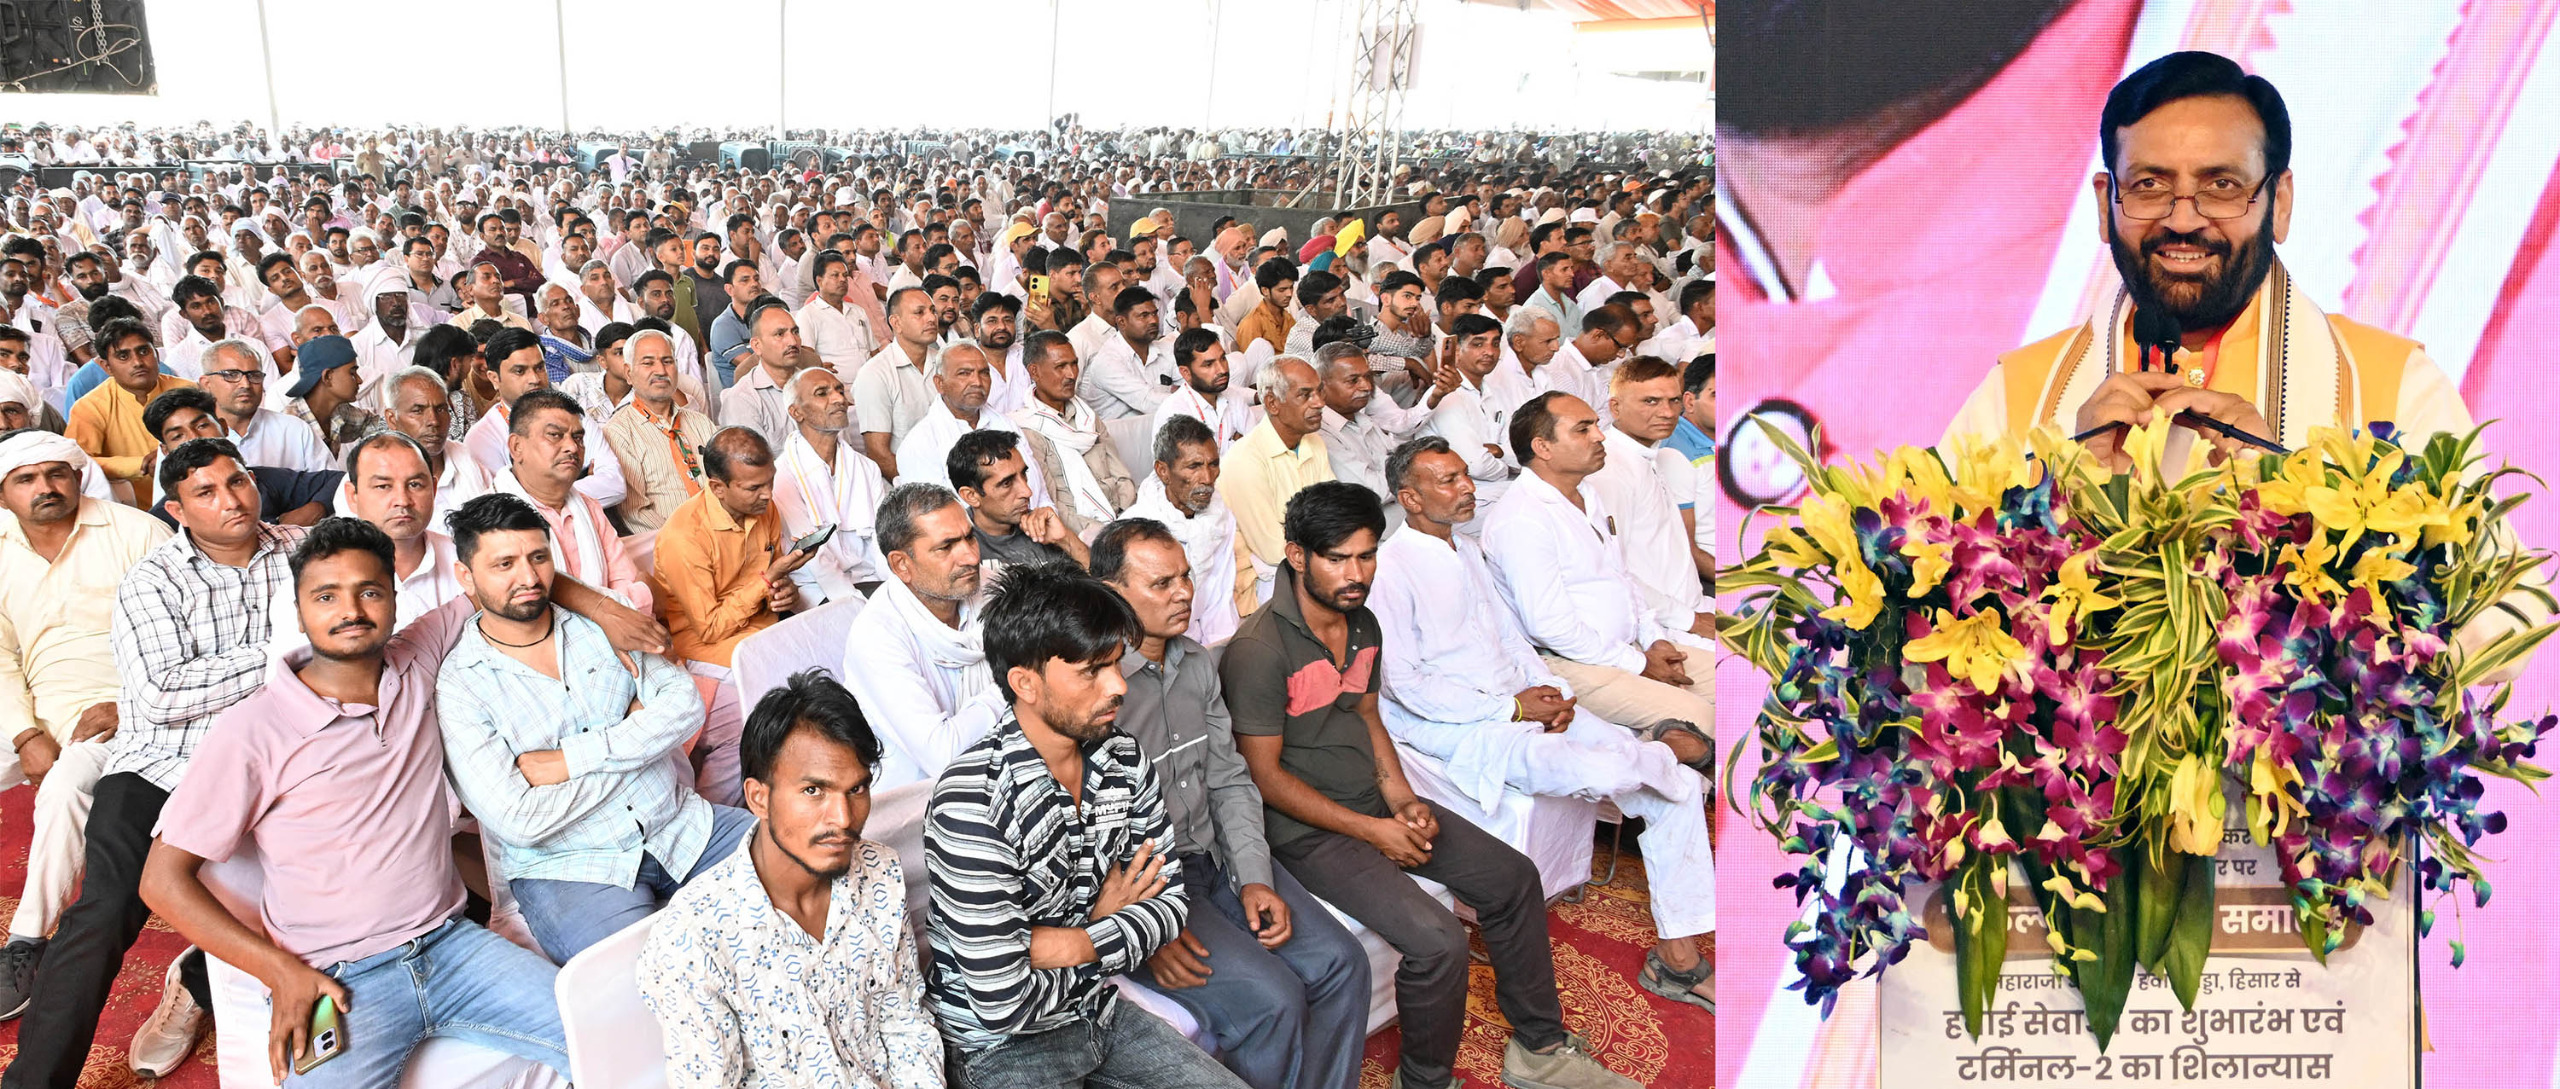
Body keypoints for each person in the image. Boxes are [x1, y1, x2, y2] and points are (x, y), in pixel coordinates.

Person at [1222, 481, 1635, 1089]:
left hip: (1372, 804)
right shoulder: (1259, 649)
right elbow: (1265, 778)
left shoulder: (1361, 621)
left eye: (1366, 556)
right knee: (1438, 941)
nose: (1355, 573)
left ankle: (1541, 1048)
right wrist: (1375, 831)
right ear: (1297, 555)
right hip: (1304, 831)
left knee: (1512, 878)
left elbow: (1367, 716)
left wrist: (1403, 800)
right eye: (1337, 558)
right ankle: (1422, 1081)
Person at [137, 518, 574, 1087]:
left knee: (610, 1030)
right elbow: (161, 881)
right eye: (326, 596)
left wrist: (608, 610)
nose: (352, 610)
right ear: (297, 612)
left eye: (369, 591)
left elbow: (512, 586)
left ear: (395, 600)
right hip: (335, 978)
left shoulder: (417, 660)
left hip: (454, 945)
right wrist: (280, 973)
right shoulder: (253, 729)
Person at [1373, 436, 1715, 1012]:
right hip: (1464, 728)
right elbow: (1405, 686)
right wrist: (1510, 709)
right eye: (1448, 481)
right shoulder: (1390, 569)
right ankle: (1662, 750)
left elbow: (1510, 637)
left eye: (1465, 475)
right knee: (1597, 764)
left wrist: (1551, 693)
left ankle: (1677, 961)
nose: (1466, 489)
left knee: (1678, 789)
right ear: (1408, 497)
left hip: (1521, 700)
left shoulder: (1469, 550)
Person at [2, 438, 300, 1084]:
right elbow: (162, 696)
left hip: (273, 767)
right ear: (178, 510)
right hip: (162, 766)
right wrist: (281, 651)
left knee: (316, 887)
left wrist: (287, 656)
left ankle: (196, 979)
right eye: (207, 493)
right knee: (102, 913)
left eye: (238, 481)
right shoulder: (155, 576)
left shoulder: (303, 554)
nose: (231, 500)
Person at [923, 562, 1246, 1089]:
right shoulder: (971, 803)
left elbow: (1169, 906)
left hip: (1098, 1013)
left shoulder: (1122, 755)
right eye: (1092, 670)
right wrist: (1107, 927)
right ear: (1025, 683)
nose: (1119, 686)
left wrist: (1067, 943)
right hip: (1001, 1050)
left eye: (1116, 663)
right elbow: (1002, 1002)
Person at [1091, 520, 1368, 1089]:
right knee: (1274, 1002)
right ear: (1113, 592)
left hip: (1215, 857)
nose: (1184, 593)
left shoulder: (1196, 665)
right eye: (1161, 583)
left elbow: (1231, 781)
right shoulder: (1094, 690)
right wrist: (1143, 934)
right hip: (1150, 887)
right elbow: (1084, 833)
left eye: (1186, 577)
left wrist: (1254, 876)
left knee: (1343, 965)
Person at [435, 492, 752, 964]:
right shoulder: (461, 686)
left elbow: (684, 707)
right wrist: (640, 741)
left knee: (805, 872)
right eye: (504, 564)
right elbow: (522, 819)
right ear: (467, 576)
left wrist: (569, 762)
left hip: (680, 824)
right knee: (641, 982)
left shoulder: (601, 621)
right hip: (572, 867)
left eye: (538, 557)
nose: (527, 577)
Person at [638, 671, 944, 1089]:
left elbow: (905, 1025)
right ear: (758, 797)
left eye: (856, 789)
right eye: (814, 791)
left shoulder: (880, 873)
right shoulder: (693, 939)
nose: (843, 818)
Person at [0, 432, 173, 1020]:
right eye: (26, 479)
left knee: (69, 779)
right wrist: (24, 734)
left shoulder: (135, 532)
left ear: (78, 478)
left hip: (122, 707)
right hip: (33, 708)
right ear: (3, 493)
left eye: (57, 474)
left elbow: (184, 633)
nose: (46, 488)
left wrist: (135, 702)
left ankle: (25, 941)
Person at [1479, 393, 1713, 732]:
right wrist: (1639, 662)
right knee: (1700, 718)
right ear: (1543, 448)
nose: (1600, 436)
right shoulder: (1522, 519)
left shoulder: (1587, 494)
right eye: (1583, 429)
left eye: (1596, 426)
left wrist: (1653, 638)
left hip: (1629, 647)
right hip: (1574, 662)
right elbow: (1551, 628)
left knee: (1743, 676)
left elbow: (1621, 578)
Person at [653, 427, 807, 806]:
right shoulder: (684, 535)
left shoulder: (764, 509)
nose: (768, 495)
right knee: (755, 720)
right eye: (754, 487)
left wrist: (782, 593)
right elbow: (709, 628)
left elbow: (767, 589)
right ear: (718, 487)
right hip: (706, 651)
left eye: (769, 482)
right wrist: (767, 581)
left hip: (760, 635)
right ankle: (715, 815)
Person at [838, 483, 1001, 790]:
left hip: (1000, 764)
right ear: (902, 565)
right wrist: (1015, 683)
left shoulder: (988, 586)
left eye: (969, 538)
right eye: (946, 547)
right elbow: (944, 756)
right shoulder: (877, 638)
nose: (969, 557)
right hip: (920, 797)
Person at [491, 389, 654, 612]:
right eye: (555, 435)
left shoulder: (588, 507)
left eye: (577, 437)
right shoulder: (492, 519)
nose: (572, 447)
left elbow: (624, 582)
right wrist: (643, 593)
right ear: (517, 447)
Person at [1586, 357, 1711, 633]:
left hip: (1692, 608)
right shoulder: (1607, 469)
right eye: (1651, 401)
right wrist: (1693, 621)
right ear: (1615, 407)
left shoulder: (1657, 455)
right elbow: (1613, 570)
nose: (1667, 412)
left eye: (1674, 401)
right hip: (1663, 626)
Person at [464, 327, 628, 510]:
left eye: (540, 368)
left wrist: (537, 493)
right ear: (494, 378)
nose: (534, 379)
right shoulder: (482, 438)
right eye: (520, 371)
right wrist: (580, 480)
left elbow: (615, 485)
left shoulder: (572, 414)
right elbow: (507, 508)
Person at [770, 367, 890, 606]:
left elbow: (882, 537)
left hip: (872, 578)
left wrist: (894, 590)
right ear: (796, 412)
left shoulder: (866, 468)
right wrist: (853, 602)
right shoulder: (782, 474)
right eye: (822, 393)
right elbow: (813, 556)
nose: (838, 399)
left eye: (839, 390)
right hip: (816, 588)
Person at [1218, 356, 1332, 605]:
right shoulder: (1244, 460)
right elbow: (1273, 550)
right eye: (1305, 395)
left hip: (1313, 560)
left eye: (1319, 392)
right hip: (1269, 580)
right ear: (1272, 402)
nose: (1320, 403)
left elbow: (1333, 513)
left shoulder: (1314, 443)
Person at [1124, 415, 1243, 647]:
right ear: (1163, 471)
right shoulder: (1135, 530)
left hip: (1206, 640)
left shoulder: (1221, 516)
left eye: (1214, 464)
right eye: (1194, 466)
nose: (1207, 478)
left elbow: (1220, 594)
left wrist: (1217, 651)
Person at [141, 389, 340, 528]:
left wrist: (313, 510)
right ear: (166, 451)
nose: (194, 439)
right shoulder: (161, 519)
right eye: (178, 436)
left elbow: (337, 480)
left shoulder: (264, 479)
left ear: (224, 427)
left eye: (202, 426)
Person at [1010, 329, 1137, 538]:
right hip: (1080, 532)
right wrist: (1103, 533)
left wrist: (1127, 515)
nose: (1071, 374)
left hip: (1122, 518)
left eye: (1074, 364)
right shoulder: (1025, 429)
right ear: (1034, 372)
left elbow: (1121, 475)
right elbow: (1051, 502)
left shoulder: (1087, 416)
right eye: (1060, 367)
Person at [604, 327, 718, 532]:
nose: (661, 371)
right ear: (629, 373)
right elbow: (635, 512)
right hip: (672, 546)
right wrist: (686, 544)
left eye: (667, 361)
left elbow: (725, 483)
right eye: (648, 363)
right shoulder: (619, 432)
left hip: (722, 531)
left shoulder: (701, 423)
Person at [67, 317, 191, 497]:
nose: (138, 362)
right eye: (123, 356)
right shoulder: (90, 407)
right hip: (134, 510)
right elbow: (79, 462)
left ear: (156, 354)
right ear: (106, 366)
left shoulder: (188, 391)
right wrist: (139, 465)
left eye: (143, 351)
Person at [949, 428, 1088, 573]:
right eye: (1006, 483)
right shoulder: (956, 547)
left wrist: (1065, 539)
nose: (1027, 492)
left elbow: (1103, 590)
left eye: (1024, 475)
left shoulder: (1043, 528)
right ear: (971, 496)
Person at [379, 365, 491, 530]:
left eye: (441, 409)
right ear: (392, 419)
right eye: (418, 411)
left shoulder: (467, 459)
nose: (434, 421)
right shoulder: (371, 474)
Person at [850, 287, 945, 479]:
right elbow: (879, 455)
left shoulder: (945, 363)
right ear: (896, 323)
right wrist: (923, 493)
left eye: (932, 311)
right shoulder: (875, 374)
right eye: (919, 312)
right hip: (910, 484)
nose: (931, 318)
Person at [197, 338, 330, 472]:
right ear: (206, 384)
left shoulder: (294, 430)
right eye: (231, 375)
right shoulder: (195, 437)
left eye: (254, 375)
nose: (245, 384)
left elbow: (329, 486)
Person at [719, 300, 816, 453]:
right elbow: (752, 468)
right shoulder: (742, 399)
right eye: (779, 334)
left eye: (795, 332)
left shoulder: (814, 385)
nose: (792, 341)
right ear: (757, 346)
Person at [280, 333, 383, 460]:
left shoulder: (338, 410)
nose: (359, 380)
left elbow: (371, 422)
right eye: (352, 372)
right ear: (328, 376)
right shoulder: (291, 428)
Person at [1082, 287, 1175, 420]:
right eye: (1144, 316)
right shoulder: (1107, 362)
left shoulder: (1165, 349)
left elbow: (1189, 384)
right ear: (1121, 322)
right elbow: (1146, 402)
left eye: (1154, 313)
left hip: (1154, 432)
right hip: (1116, 438)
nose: (1153, 320)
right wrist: (1193, 401)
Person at [1150, 327, 1243, 452]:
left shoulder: (1234, 397)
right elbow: (1190, 467)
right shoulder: (1174, 412)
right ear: (1186, 373)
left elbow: (1255, 447)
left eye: (1223, 359)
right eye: (1209, 364)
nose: (1222, 370)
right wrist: (1237, 444)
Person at [795, 249, 882, 370]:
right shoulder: (808, 314)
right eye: (835, 275)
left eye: (845, 275)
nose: (842, 279)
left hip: (870, 379)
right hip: (835, 384)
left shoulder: (858, 311)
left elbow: (874, 352)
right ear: (819, 281)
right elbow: (806, 359)